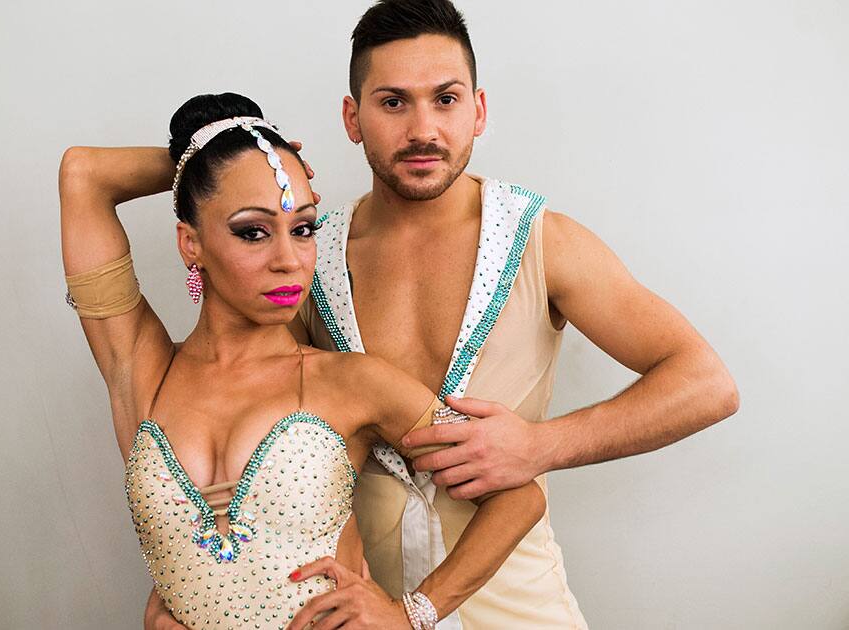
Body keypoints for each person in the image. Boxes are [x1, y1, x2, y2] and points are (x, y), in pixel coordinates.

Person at [147, 1, 741, 628]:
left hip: (517, 609)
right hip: (353, 613)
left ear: (478, 111)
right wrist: (191, 588)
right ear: (353, 118)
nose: (422, 129)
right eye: (394, 102)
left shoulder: (543, 241)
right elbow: (238, 431)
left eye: (447, 99)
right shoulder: (306, 258)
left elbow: (706, 382)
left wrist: (539, 446)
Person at [60, 92, 548, 629]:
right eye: (252, 231)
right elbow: (83, 174)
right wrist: (226, 151)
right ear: (190, 244)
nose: (288, 260)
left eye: (303, 228)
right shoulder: (140, 368)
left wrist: (413, 614)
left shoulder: (351, 382)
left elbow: (518, 498)